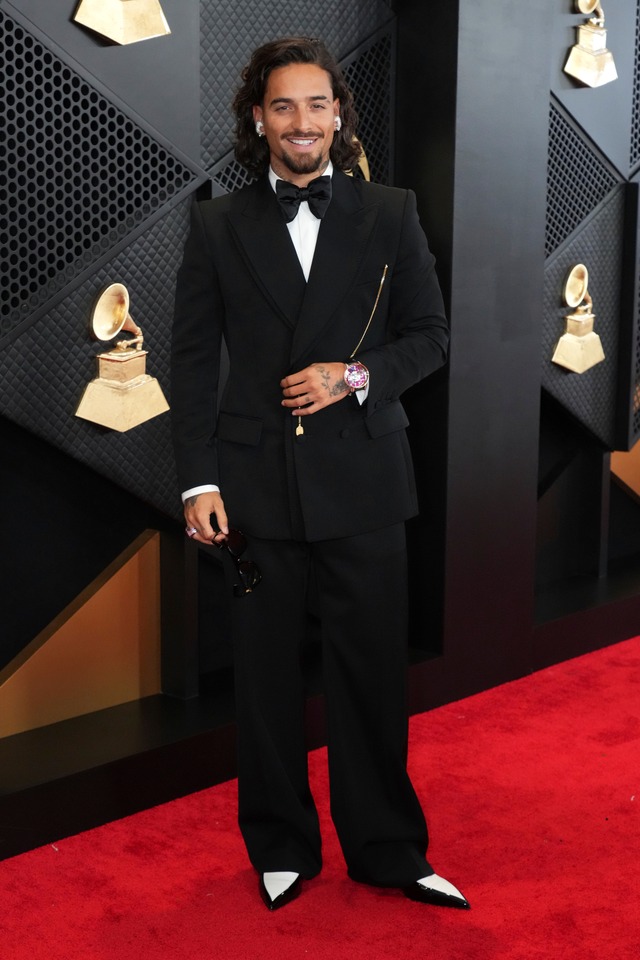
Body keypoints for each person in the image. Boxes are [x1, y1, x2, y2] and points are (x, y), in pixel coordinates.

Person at [171, 36, 469, 912]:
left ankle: (388, 848)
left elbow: (431, 337)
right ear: (257, 119)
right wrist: (198, 481)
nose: (301, 121)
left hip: (365, 481)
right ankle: (280, 843)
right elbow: (193, 363)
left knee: (372, 674)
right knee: (265, 678)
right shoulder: (216, 225)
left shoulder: (391, 211)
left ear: (338, 114)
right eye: (282, 106)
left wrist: (355, 375)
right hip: (255, 489)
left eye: (315, 104)